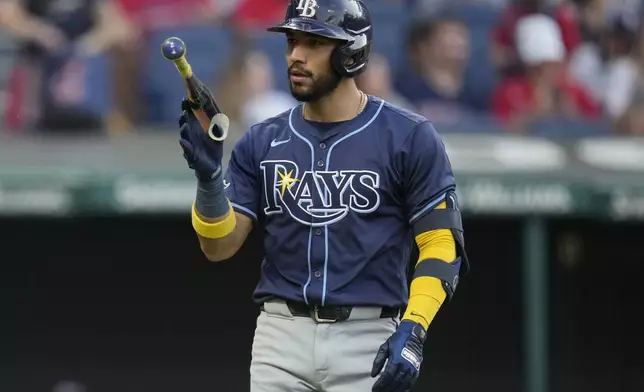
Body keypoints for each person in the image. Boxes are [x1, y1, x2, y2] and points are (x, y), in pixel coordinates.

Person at [177, 0, 470, 391]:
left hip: (369, 338)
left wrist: (415, 326)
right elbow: (219, 247)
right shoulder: (262, 140)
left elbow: (441, 245)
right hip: (280, 338)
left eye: (314, 43)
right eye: (292, 41)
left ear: (352, 52)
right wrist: (210, 180)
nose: (296, 56)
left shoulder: (408, 136)